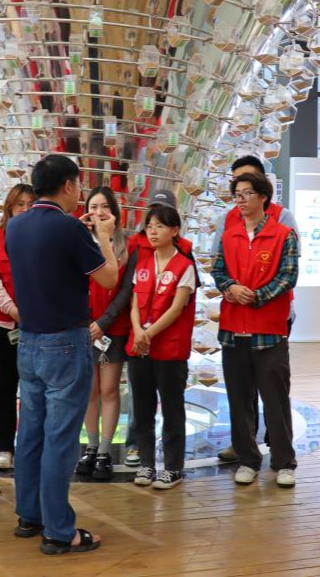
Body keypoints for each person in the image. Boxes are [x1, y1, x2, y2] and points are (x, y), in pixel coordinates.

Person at [6, 154, 119, 555]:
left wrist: (82, 235)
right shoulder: (70, 228)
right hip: (65, 343)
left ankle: (29, 515)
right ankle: (58, 530)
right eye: (79, 185)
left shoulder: (15, 225)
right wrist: (103, 236)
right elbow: (109, 277)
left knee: (31, 432)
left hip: (29, 341)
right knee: (60, 438)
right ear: (68, 185)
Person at [210, 172, 298, 489]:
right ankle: (248, 460)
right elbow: (218, 270)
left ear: (263, 197)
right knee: (238, 399)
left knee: (275, 399)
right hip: (233, 328)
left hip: (269, 331)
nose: (241, 200)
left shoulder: (283, 234)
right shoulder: (229, 234)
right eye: (237, 194)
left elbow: (288, 276)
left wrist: (257, 296)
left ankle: (284, 462)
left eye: (247, 193)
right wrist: (230, 288)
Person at [128, 205, 197, 490]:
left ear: (175, 230)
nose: (153, 231)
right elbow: (134, 304)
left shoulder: (185, 266)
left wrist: (148, 333)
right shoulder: (143, 264)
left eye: (160, 226)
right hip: (140, 347)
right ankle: (146, 464)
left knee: (172, 409)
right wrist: (137, 330)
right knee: (142, 409)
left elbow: (176, 309)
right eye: (149, 226)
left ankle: (172, 468)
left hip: (169, 349)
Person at [75, 186, 131, 482]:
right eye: (93, 206)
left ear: (114, 211)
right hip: (83, 328)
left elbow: (125, 291)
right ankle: (91, 447)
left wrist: (104, 323)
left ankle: (106, 452)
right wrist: (87, 322)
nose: (98, 212)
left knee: (109, 390)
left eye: (104, 207)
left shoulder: (125, 244)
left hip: (113, 329)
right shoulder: (79, 240)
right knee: (90, 391)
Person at [0, 183, 36, 470]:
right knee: (7, 383)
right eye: (20, 205)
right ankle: (4, 446)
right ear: (9, 208)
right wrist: (14, 310)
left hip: (38, 324)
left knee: (33, 385)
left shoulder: (42, 238)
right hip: (6, 324)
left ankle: (30, 446)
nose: (25, 210)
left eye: (30, 204)